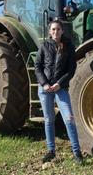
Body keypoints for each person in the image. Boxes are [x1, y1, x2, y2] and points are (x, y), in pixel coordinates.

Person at [34, 19, 83, 164]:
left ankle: (77, 153)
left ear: (62, 31)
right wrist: (44, 84)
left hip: (60, 89)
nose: (56, 32)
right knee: (49, 120)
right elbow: (37, 66)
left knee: (69, 118)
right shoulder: (44, 46)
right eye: (53, 29)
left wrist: (59, 84)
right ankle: (51, 151)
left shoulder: (69, 46)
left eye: (58, 29)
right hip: (45, 89)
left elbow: (71, 70)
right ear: (50, 32)